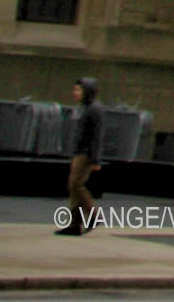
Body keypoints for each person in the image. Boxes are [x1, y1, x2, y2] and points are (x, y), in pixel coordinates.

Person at [57, 75, 105, 236]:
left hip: (86, 154)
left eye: (78, 89)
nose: (75, 92)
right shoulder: (85, 107)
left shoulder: (94, 109)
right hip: (80, 152)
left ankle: (94, 214)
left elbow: (97, 135)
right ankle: (75, 224)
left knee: (75, 185)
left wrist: (96, 159)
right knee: (74, 188)